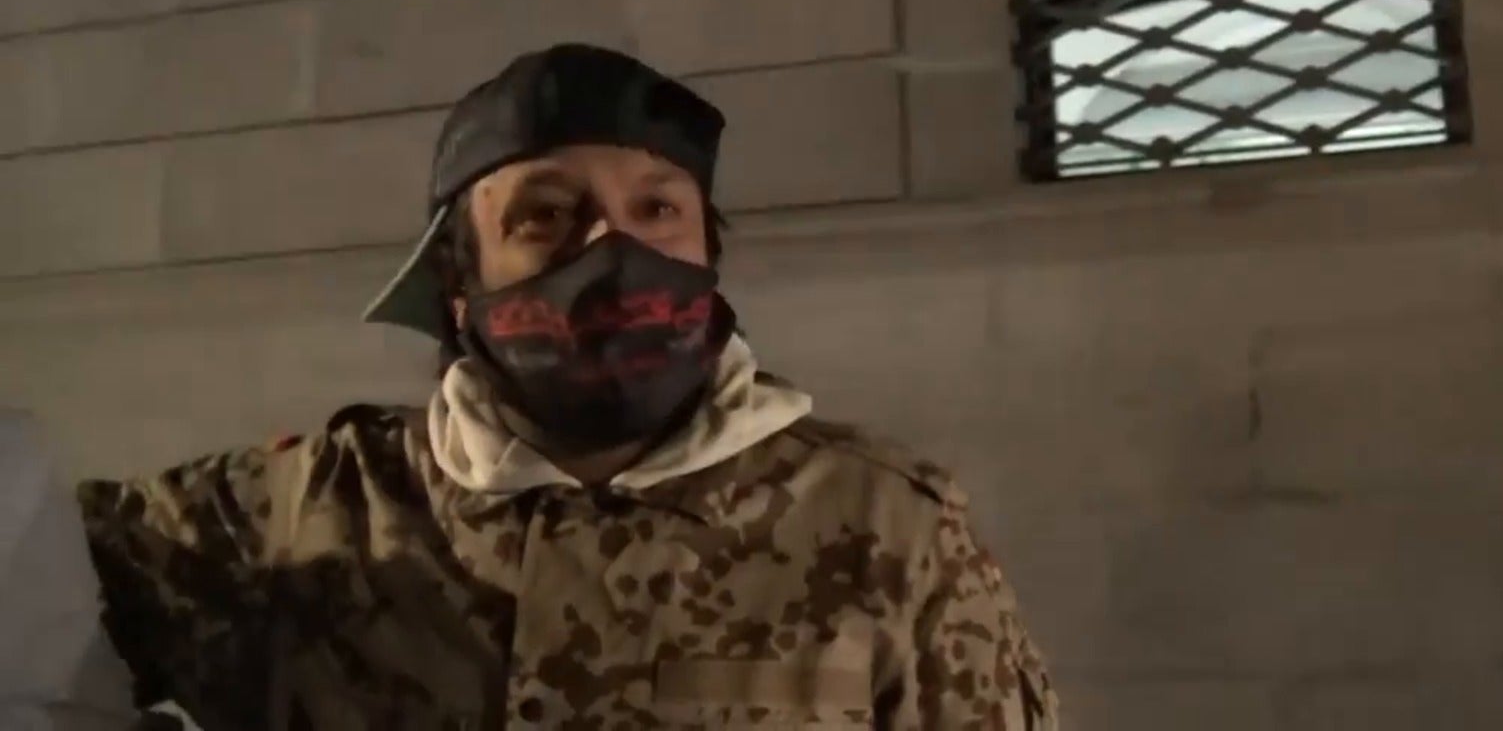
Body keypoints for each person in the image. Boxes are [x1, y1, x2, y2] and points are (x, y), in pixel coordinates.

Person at [74, 43, 1060, 729]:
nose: (610, 249)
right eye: (544, 216)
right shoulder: (297, 517)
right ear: (457, 287)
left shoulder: (888, 526)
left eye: (657, 210)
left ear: (709, 257)